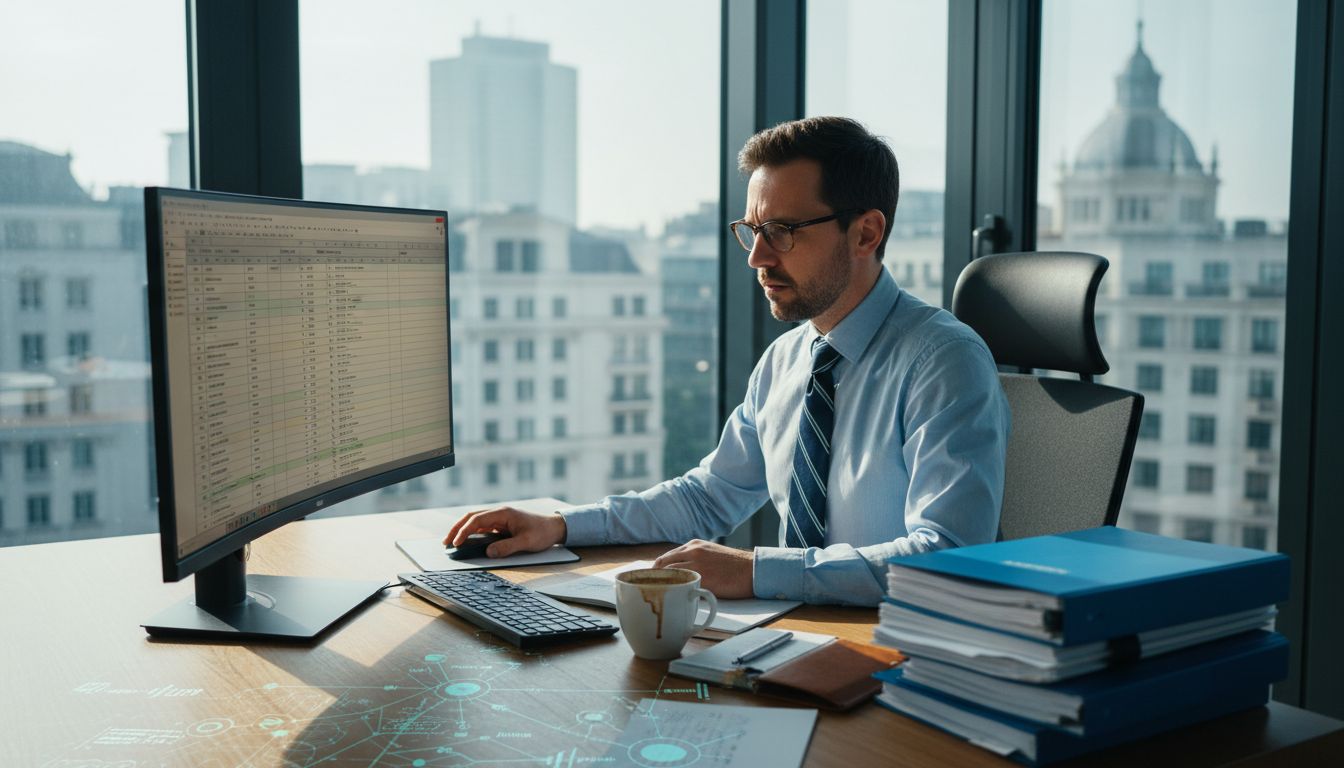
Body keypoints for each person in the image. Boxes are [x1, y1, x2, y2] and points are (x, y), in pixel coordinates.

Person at [446, 116, 1010, 606]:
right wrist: (563, 524)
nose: (758, 258)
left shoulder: (944, 362)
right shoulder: (786, 360)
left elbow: (946, 557)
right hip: (798, 634)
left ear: (866, 233)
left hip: (904, 658)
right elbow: (707, 496)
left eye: (783, 232)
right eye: (753, 231)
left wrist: (755, 571)